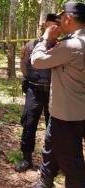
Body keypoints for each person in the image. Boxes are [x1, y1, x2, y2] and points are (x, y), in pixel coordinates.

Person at [30, 2, 85, 187]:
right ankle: (45, 181)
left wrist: (45, 39)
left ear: (69, 18)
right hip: (66, 109)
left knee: (72, 163)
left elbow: (37, 60)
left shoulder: (72, 45)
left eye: (61, 18)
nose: (59, 22)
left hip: (67, 114)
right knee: (50, 146)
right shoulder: (76, 42)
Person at [14, 14, 59, 173]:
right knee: (29, 123)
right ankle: (26, 158)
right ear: (45, 26)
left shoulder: (61, 47)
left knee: (53, 127)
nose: (55, 30)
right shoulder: (31, 46)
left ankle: (51, 163)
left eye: (57, 27)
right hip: (34, 90)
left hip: (55, 93)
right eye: (51, 27)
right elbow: (24, 66)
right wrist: (30, 80)